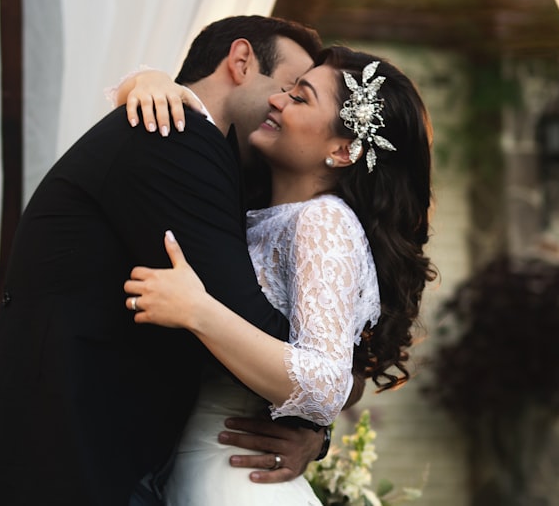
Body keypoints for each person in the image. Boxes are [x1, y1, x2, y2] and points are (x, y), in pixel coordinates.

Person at [0, 15, 337, 506]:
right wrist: (313, 404)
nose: (283, 103)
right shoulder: (177, 138)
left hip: (73, 436)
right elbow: (246, 322)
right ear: (240, 61)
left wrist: (318, 412)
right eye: (289, 87)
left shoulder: (206, 153)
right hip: (56, 447)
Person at [115, 46, 437, 504]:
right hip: (202, 472)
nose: (277, 100)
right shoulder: (266, 209)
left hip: (235, 482)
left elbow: (327, 383)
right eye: (287, 89)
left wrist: (196, 310)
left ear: (343, 150)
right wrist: (147, 83)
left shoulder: (323, 221)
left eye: (300, 98)